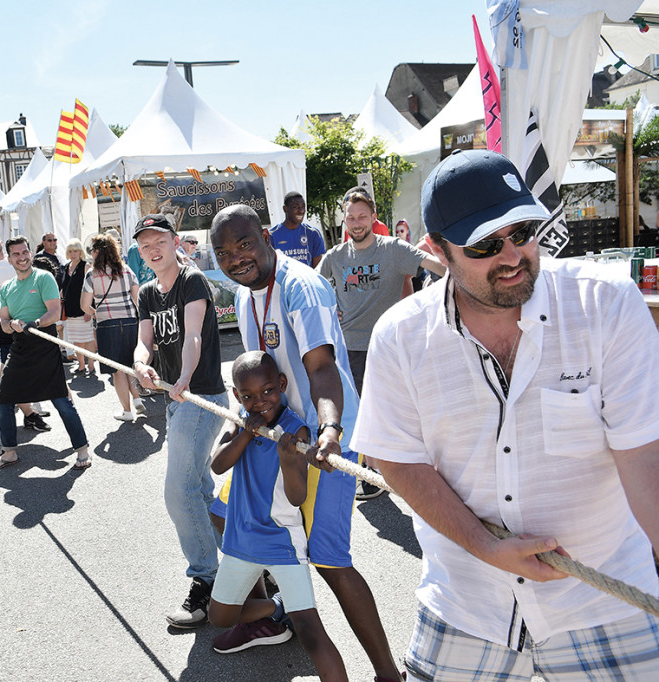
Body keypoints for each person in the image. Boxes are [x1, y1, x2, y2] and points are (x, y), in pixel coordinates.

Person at [353, 148, 659, 680]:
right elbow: (398, 460)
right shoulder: (401, 336)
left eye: (523, 231)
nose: (514, 255)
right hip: (467, 601)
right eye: (486, 244)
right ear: (436, 251)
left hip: (604, 597)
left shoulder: (606, 304)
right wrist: (485, 546)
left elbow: (646, 456)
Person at [209, 205, 403, 681]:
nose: (236, 258)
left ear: (267, 236)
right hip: (273, 430)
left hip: (320, 436)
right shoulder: (243, 294)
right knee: (221, 512)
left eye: (244, 244)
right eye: (223, 252)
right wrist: (240, 421)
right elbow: (254, 368)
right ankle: (276, 615)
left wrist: (330, 432)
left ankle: (387, 674)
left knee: (327, 557)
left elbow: (321, 369)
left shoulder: (301, 287)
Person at [208, 352, 347, 681]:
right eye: (248, 396)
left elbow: (297, 497)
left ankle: (288, 610)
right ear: (237, 395)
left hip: (281, 542)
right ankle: (275, 607)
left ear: (282, 384)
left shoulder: (295, 431)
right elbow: (217, 465)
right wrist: (245, 433)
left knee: (311, 632)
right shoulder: (242, 418)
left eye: (268, 391)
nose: (259, 402)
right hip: (240, 539)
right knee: (220, 617)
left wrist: (287, 459)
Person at [131, 214, 228, 628]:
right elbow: (144, 341)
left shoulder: (192, 280)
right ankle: (250, 567)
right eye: (145, 245)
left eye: (159, 242)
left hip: (200, 396)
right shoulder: (148, 293)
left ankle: (208, 580)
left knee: (179, 492)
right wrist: (140, 363)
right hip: (176, 400)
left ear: (174, 242)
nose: (153, 250)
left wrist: (185, 377)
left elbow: (192, 336)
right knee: (200, 492)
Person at [319, 188, 446, 501]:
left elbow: (437, 267)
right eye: (351, 217)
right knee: (361, 413)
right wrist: (328, 305)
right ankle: (371, 473)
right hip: (350, 348)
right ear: (344, 220)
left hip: (389, 344)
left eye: (363, 216)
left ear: (373, 218)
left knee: (394, 411)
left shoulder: (393, 249)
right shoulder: (335, 257)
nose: (357, 222)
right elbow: (313, 287)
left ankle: (397, 473)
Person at [0, 237, 92, 471]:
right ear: (9, 259)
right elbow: (3, 322)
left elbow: (55, 312)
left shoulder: (43, 278)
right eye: (16, 254)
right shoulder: (6, 287)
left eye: (25, 252)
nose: (22, 257)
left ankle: (82, 450)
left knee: (62, 402)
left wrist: (35, 322)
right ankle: (9, 453)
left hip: (44, 345)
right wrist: (12, 324)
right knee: (3, 401)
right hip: (19, 347)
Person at [0, 231, 46, 457]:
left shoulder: (36, 273)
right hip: (5, 327)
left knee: (57, 384)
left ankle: (78, 438)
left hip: (32, 329)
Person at [81, 234, 145, 421]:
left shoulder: (92, 274)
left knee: (117, 370)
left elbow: (84, 305)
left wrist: (96, 313)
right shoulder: (126, 270)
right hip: (130, 321)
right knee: (131, 364)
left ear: (97, 252)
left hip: (107, 324)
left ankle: (126, 411)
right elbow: (137, 299)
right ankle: (138, 399)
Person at [60, 239, 96, 376]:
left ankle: (91, 365)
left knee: (88, 338)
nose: (73, 254)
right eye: (70, 251)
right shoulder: (66, 266)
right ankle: (81, 365)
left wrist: (90, 309)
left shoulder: (86, 266)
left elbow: (91, 289)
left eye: (75, 251)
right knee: (76, 339)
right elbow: (63, 288)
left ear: (80, 251)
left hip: (84, 308)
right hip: (70, 309)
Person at [268, 191, 326, 268]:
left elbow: (318, 269)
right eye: (296, 207)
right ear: (285, 209)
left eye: (303, 207)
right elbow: (269, 266)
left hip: (307, 279)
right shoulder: (272, 235)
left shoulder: (313, 233)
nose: (301, 211)